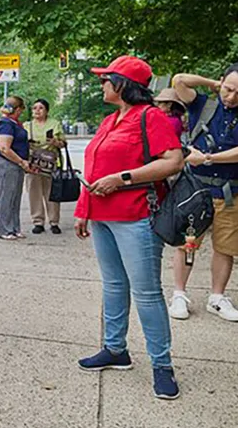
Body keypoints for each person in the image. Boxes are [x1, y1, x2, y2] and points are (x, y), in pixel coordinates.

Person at [74, 55, 183, 400]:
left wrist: (122, 179)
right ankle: (115, 349)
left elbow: (173, 160)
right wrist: (82, 209)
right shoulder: (110, 120)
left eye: (106, 79)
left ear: (122, 84)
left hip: (137, 214)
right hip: (103, 215)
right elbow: (92, 168)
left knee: (147, 292)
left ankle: (162, 365)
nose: (101, 84)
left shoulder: (151, 117)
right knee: (113, 285)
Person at [167, 66, 238, 322]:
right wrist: (214, 84)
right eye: (229, 89)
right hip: (196, 190)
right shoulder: (204, 105)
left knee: (226, 246)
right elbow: (179, 80)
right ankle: (179, 293)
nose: (231, 97)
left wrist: (208, 158)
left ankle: (217, 297)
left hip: (233, 190)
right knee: (187, 243)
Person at [23, 99, 66, 235]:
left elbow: (64, 143)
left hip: (51, 163)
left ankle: (54, 222)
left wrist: (56, 142)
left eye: (41, 108)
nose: (37, 110)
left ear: (46, 110)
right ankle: (38, 221)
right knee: (34, 192)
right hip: (33, 163)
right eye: (34, 108)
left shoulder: (54, 124)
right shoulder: (27, 125)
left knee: (52, 193)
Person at [0, 96, 32, 240]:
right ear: (18, 109)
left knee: (15, 196)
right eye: (21, 109)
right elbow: (4, 148)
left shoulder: (13, 123)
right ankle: (2, 229)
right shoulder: (6, 124)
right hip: (7, 163)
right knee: (6, 196)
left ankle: (14, 228)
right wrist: (21, 161)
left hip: (15, 163)